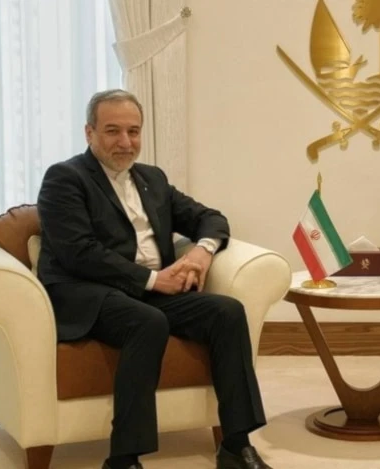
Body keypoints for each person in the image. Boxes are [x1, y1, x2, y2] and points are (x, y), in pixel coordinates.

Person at [37, 89, 273, 469]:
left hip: (150, 290)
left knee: (227, 312)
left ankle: (235, 445)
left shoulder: (152, 179)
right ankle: (123, 458)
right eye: (113, 131)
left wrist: (202, 252)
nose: (125, 142)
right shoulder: (65, 178)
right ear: (89, 132)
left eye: (134, 131)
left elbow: (210, 218)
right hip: (88, 292)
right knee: (148, 321)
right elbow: (78, 252)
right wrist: (151, 280)